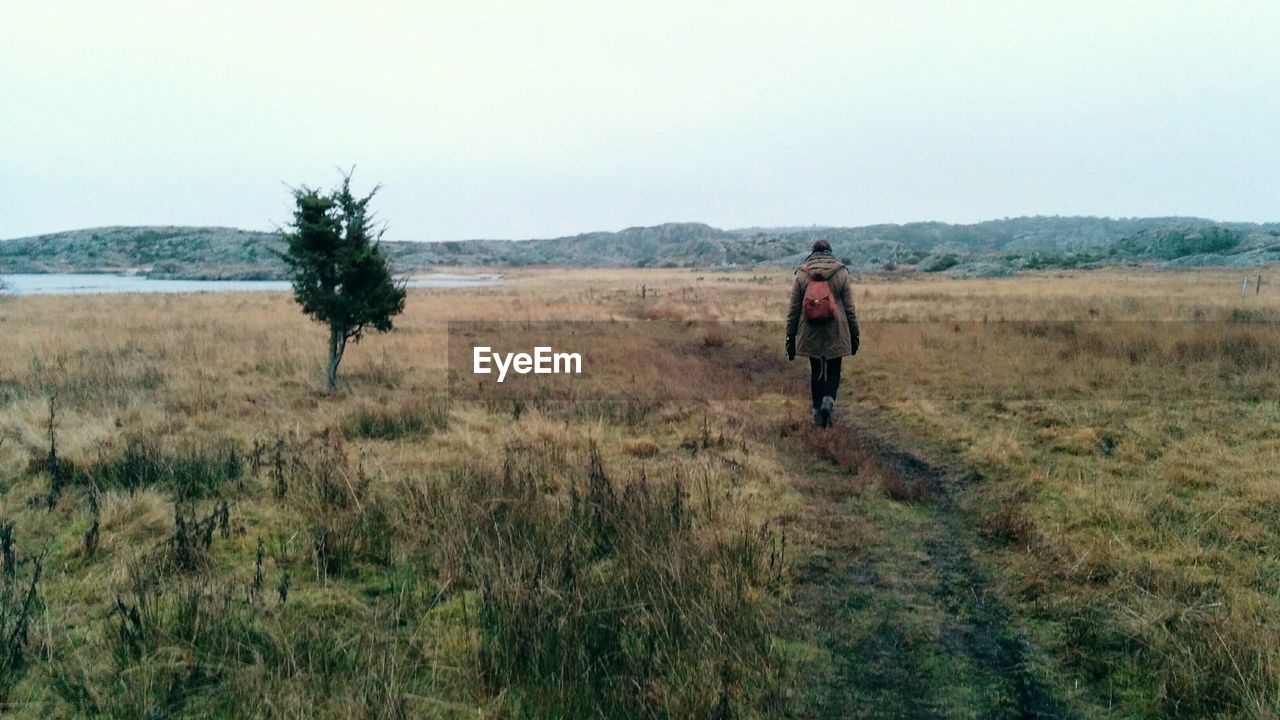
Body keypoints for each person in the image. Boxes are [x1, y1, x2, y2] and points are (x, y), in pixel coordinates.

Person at [785, 239, 859, 427]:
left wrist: (790, 338)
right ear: (830, 252)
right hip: (836, 330)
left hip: (810, 331)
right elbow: (850, 308)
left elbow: (793, 310)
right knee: (834, 370)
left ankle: (817, 414)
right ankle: (829, 401)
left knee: (816, 370)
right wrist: (854, 334)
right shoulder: (840, 272)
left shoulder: (802, 273)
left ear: (813, 253)